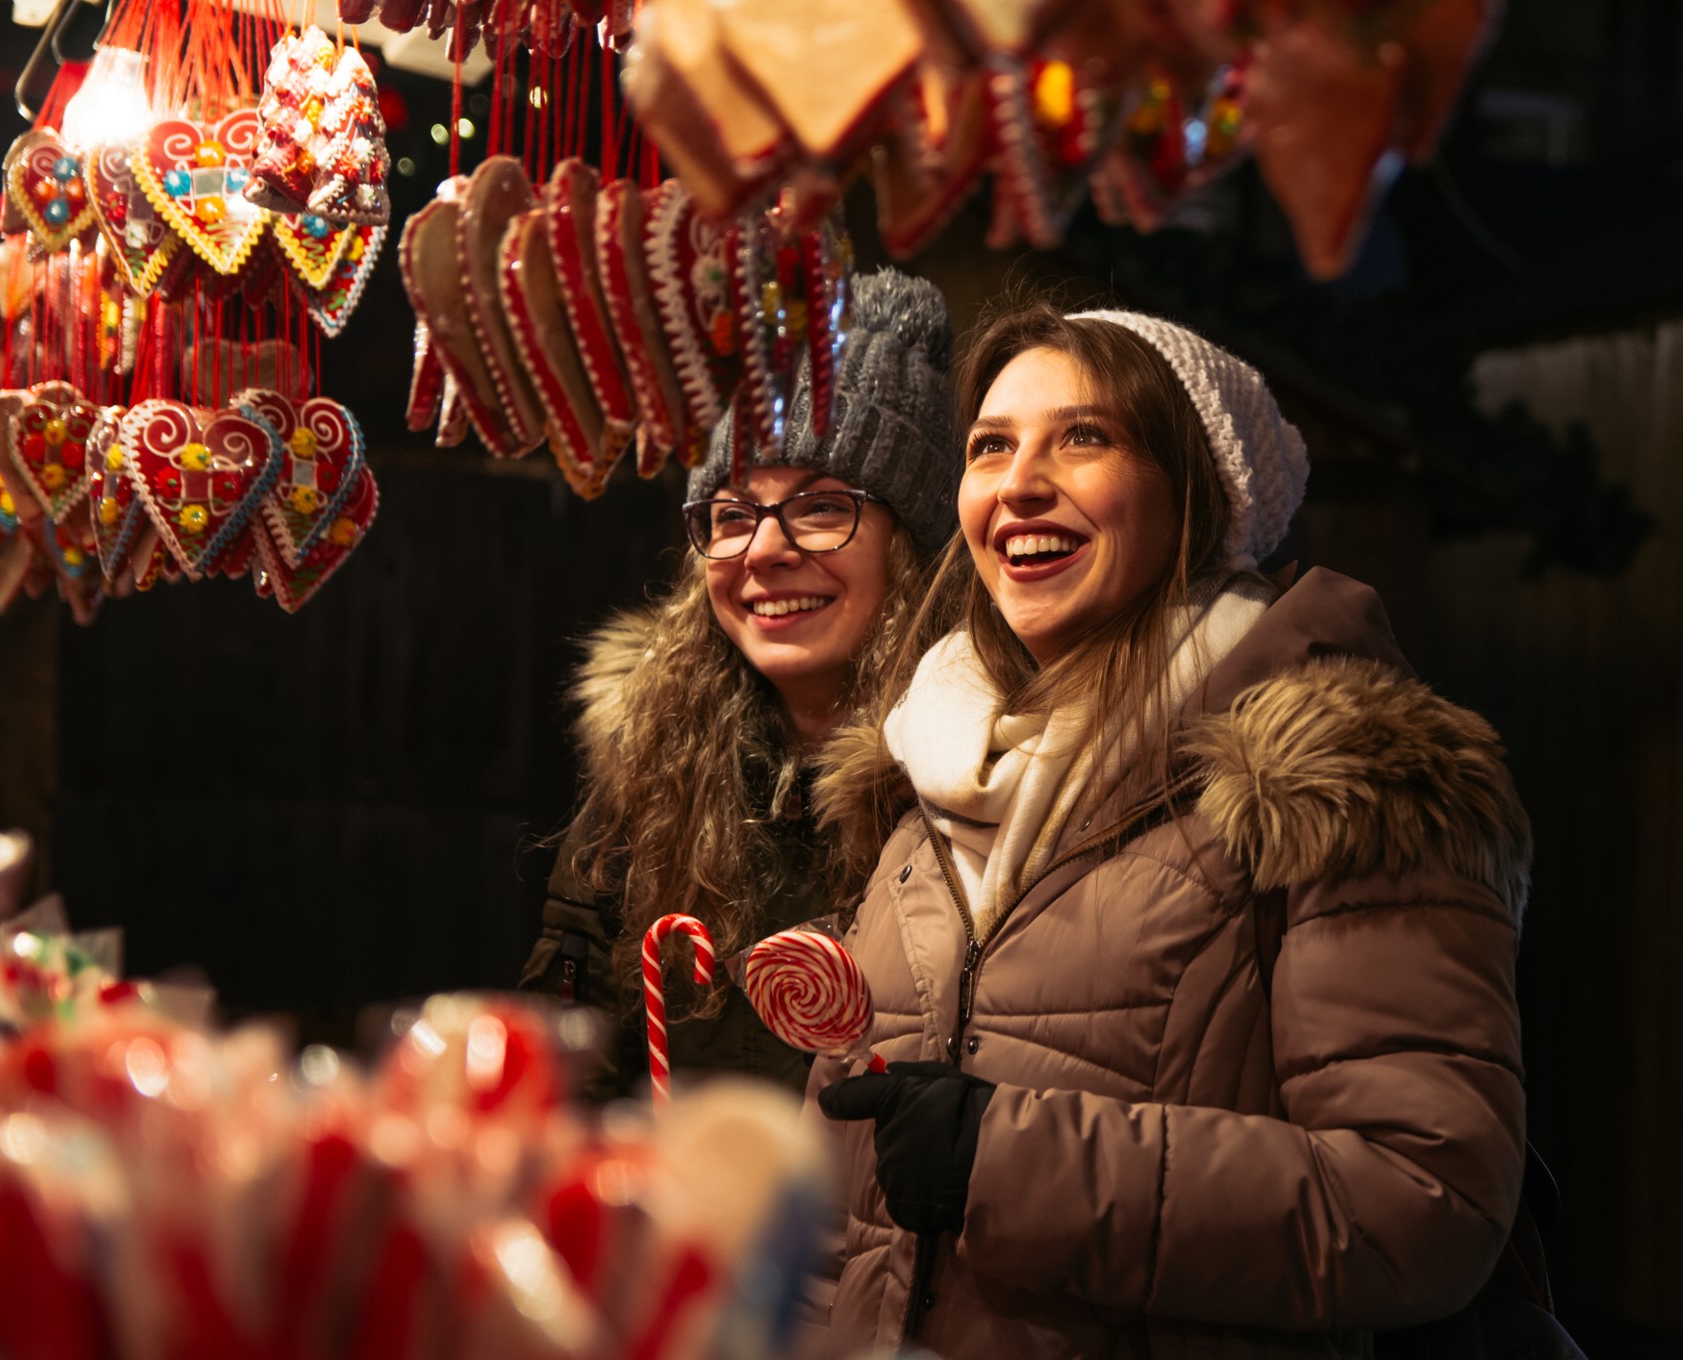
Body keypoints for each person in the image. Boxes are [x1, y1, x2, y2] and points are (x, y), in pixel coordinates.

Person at [809, 301, 1534, 1357]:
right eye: (991, 447)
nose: (1018, 484)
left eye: (1085, 437)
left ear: (1198, 490)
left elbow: (1426, 1198)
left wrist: (1003, 1162)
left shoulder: (1331, 774)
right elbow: (844, 1206)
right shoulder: (921, 772)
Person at [519, 269, 959, 1101]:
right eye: (729, 515)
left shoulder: (995, 781)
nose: (762, 551)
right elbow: (571, 1061)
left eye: (823, 507)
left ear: (916, 544)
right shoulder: (649, 776)